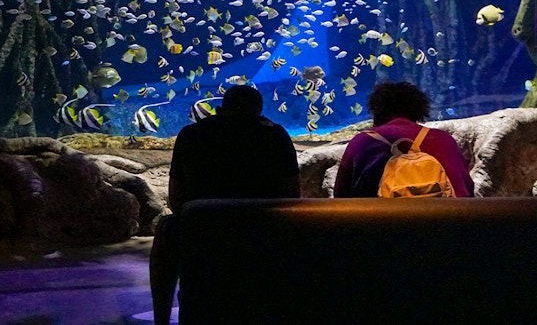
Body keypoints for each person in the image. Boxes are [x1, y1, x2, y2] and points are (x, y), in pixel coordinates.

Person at [150, 84, 299, 325]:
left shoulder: (191, 134)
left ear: (220, 109)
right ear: (259, 111)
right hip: (264, 232)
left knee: (166, 228)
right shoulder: (276, 135)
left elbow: (176, 198)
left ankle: (161, 319)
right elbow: (293, 194)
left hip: (204, 229)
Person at [333, 81, 474, 198]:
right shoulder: (442, 139)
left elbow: (341, 194)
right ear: (419, 110)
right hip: (441, 220)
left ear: (377, 111)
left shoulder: (362, 142)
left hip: (379, 221)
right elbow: (465, 189)